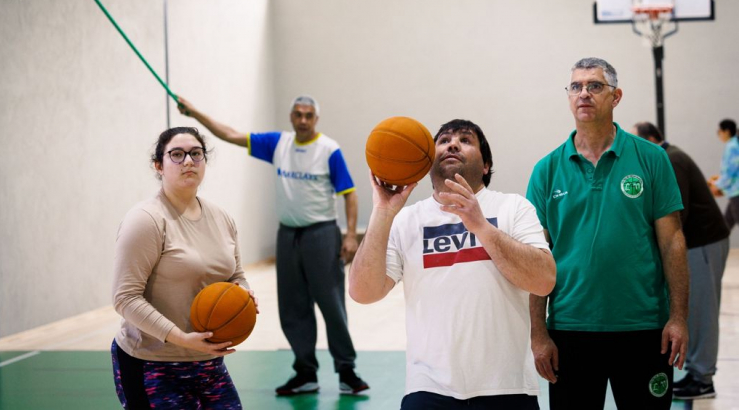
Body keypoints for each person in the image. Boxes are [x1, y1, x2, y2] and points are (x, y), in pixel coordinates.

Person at [349, 119, 556, 410]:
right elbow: (363, 292)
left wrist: (481, 226)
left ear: (486, 166)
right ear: (426, 164)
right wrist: (383, 211)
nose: (453, 144)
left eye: (466, 140)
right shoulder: (407, 220)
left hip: (506, 387)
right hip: (428, 388)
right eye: (444, 140)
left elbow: (544, 280)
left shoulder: (513, 207)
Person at [177, 95, 369, 396]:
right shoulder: (278, 144)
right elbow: (230, 134)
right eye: (298, 114)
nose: (303, 119)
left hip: (322, 233)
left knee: (331, 304)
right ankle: (305, 372)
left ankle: (347, 370)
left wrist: (349, 236)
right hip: (288, 235)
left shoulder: (329, 150)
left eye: (308, 115)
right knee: (292, 307)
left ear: (316, 120)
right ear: (291, 117)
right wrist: (195, 113)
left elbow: (350, 193)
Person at [527, 57, 689, 410]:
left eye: (595, 86)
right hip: (571, 328)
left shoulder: (651, 159)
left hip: (644, 327)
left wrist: (678, 318)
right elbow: (536, 256)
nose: (584, 93)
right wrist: (539, 333)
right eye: (576, 86)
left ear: (615, 97)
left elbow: (672, 240)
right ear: (569, 97)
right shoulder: (546, 170)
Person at [112, 126, 258, 409]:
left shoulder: (222, 217)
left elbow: (236, 275)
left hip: (208, 363)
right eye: (176, 155)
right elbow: (124, 298)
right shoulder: (145, 220)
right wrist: (182, 339)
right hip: (152, 364)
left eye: (196, 153)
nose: (188, 161)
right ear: (159, 166)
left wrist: (244, 293)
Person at [632, 121, 729, 400]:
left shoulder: (670, 160)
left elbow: (677, 214)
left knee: (701, 312)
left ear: (652, 139)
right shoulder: (670, 156)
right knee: (698, 310)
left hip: (703, 243)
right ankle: (698, 373)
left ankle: (702, 378)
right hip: (700, 242)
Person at [708, 119, 739, 232]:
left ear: (726, 131)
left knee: (727, 223)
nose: (719, 134)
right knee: (726, 223)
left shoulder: (732, 146)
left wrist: (717, 185)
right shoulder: (734, 144)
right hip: (734, 192)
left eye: (719, 131)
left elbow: (730, 172)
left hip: (736, 192)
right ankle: (718, 248)